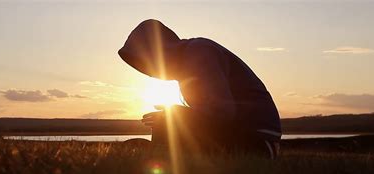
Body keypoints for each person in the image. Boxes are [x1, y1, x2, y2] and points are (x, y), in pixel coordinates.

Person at [118, 19, 281, 158]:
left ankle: (161, 159)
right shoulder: (189, 61)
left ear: (159, 51)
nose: (152, 74)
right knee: (166, 126)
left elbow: (223, 113)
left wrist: (177, 115)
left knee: (168, 125)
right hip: (245, 134)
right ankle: (160, 156)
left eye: (148, 64)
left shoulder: (199, 52)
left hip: (256, 142)